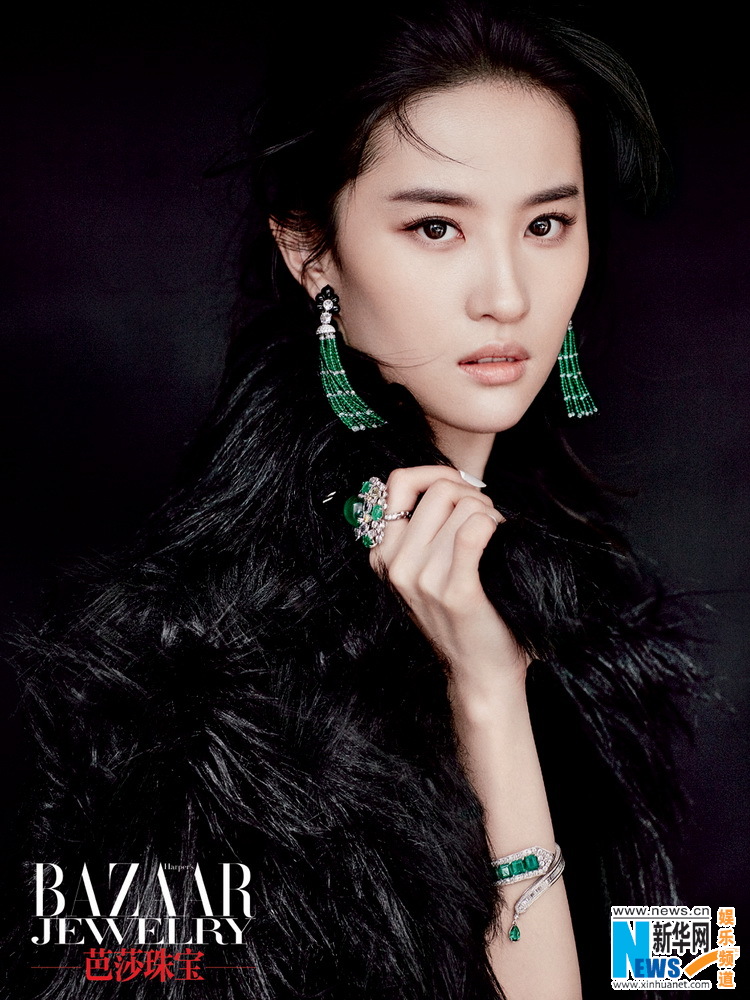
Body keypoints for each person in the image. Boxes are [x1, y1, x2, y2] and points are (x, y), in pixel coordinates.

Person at [2, 2, 703, 998]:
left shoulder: (586, 594)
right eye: (435, 227)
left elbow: (668, 961)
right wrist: (488, 700)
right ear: (311, 251)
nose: (508, 294)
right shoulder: (206, 680)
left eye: (546, 224)